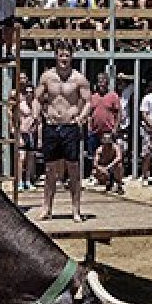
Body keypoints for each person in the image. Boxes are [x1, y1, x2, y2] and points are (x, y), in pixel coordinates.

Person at [33, 41, 91, 222]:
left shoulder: (79, 79)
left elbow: (88, 101)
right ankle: (46, 208)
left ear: (71, 57)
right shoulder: (47, 77)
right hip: (51, 126)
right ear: (56, 56)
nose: (64, 59)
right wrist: (37, 115)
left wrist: (81, 117)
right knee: (50, 169)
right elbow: (37, 98)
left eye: (67, 55)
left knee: (73, 168)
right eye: (61, 55)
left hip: (70, 126)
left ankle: (76, 210)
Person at [88, 72, 120, 175]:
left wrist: (115, 127)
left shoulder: (113, 96)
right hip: (95, 131)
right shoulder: (93, 96)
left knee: (109, 154)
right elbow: (89, 113)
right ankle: (96, 175)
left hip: (108, 131)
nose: (101, 84)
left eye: (103, 81)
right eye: (99, 81)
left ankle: (110, 176)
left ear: (107, 82)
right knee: (94, 154)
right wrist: (89, 127)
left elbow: (118, 113)